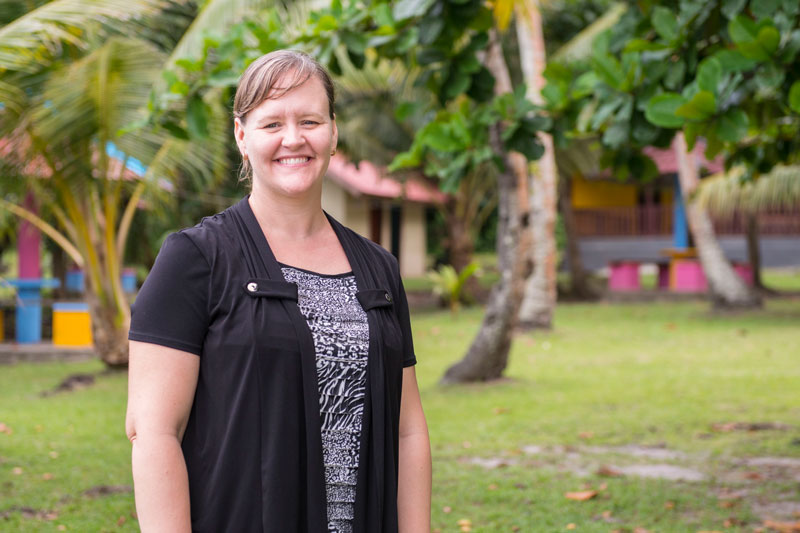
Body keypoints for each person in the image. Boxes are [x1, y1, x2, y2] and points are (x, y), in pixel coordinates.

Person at [125, 49, 431, 533]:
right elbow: (154, 431)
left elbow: (408, 429)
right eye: (271, 124)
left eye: (309, 120)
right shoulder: (195, 258)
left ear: (333, 133)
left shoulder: (378, 269)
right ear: (242, 136)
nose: (294, 139)